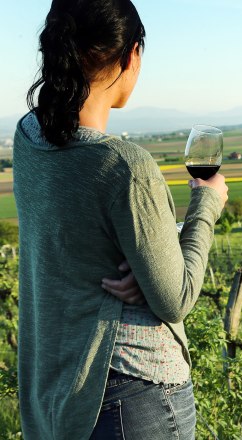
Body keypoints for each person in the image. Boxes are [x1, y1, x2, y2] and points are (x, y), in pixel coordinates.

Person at [13, 0, 228, 438]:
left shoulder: (27, 137)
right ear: (131, 55)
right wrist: (206, 204)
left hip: (57, 389)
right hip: (134, 396)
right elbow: (176, 298)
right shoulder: (123, 165)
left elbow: (79, 241)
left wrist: (146, 265)